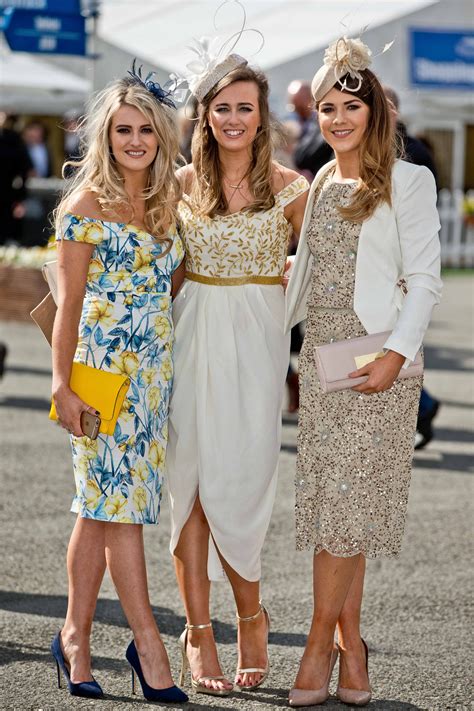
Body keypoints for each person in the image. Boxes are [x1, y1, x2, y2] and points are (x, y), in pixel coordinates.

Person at [285, 36, 442, 707]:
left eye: (351, 105)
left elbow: (425, 281)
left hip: (376, 361)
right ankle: (355, 647)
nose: (338, 118)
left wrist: (396, 355)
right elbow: (314, 269)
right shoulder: (321, 178)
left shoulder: (410, 181)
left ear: (375, 111)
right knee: (334, 509)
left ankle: (319, 643)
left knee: (347, 511)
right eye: (327, 108)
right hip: (321, 361)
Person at [166, 53, 308, 696]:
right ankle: (199, 631)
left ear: (262, 117)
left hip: (256, 348)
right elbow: (156, 272)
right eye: (221, 107)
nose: (232, 118)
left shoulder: (292, 189)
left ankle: (252, 613)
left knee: (242, 481)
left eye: (244, 108)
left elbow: (324, 269)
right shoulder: (177, 184)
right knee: (189, 484)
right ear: (205, 115)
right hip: (190, 336)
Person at [49, 69, 188, 703]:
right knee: (121, 513)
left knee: (98, 508)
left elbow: (168, 289)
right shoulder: (84, 207)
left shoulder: (167, 209)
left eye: (145, 130)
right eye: (122, 129)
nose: (135, 140)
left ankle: (74, 636)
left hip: (153, 383)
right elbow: (69, 307)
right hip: (98, 380)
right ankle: (149, 647)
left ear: (161, 136)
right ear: (105, 136)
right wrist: (62, 386)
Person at [383, 85, 441, 449]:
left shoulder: (412, 153)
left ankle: (424, 405)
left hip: (404, 263)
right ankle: (425, 404)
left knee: (390, 343)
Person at [287, 79, 333, 181]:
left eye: (298, 107)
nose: (296, 111)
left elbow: (302, 158)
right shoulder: (304, 125)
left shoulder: (320, 123)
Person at [0, 112, 33, 244]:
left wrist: (20, 198)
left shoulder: (14, 140)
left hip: (8, 194)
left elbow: (24, 171)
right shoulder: (15, 140)